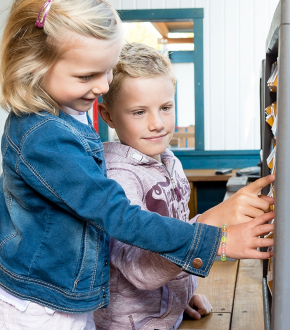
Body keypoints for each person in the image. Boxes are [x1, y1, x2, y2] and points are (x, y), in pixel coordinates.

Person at [0, 1, 275, 329]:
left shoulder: (62, 107)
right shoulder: (45, 137)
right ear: (33, 66)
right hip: (41, 301)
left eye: (107, 70)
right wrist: (214, 241)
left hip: (55, 286)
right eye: (86, 75)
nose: (104, 86)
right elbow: (119, 217)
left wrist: (178, 289)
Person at [93, 42, 215, 329]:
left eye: (166, 107)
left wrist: (182, 296)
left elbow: (175, 233)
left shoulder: (170, 162)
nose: (157, 123)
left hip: (165, 314)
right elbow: (139, 269)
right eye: (139, 112)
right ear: (108, 115)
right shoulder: (117, 177)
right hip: (133, 323)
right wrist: (216, 225)